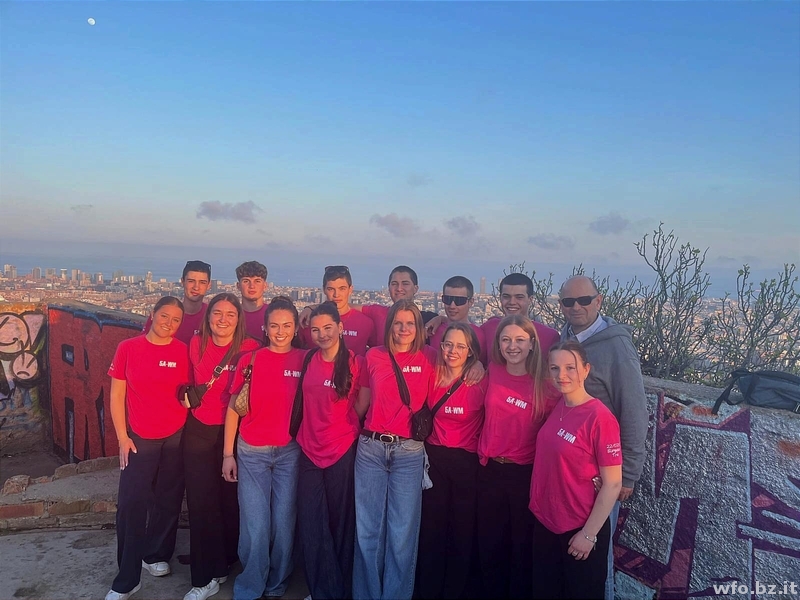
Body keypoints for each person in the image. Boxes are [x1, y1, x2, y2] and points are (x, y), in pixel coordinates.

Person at [558, 276, 647, 600]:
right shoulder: (566, 337)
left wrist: (629, 473)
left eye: (584, 300)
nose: (576, 307)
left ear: (599, 301)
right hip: (571, 467)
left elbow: (634, 409)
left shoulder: (616, 347)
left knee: (596, 551)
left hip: (602, 471)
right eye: (569, 302)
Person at [105, 296, 191, 600]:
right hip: (139, 438)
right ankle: (127, 578)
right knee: (130, 505)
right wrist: (122, 437)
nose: (169, 323)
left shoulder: (182, 351)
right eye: (164, 316)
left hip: (176, 436)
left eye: (176, 320)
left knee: (168, 499)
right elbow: (116, 396)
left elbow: (187, 391)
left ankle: (156, 554)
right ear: (152, 314)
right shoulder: (128, 348)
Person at [221, 296, 306, 600]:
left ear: (295, 328)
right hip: (252, 452)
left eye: (287, 325)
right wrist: (228, 454)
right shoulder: (250, 360)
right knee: (255, 524)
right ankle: (251, 584)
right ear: (265, 328)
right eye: (274, 325)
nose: (280, 331)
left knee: (284, 522)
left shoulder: (305, 360)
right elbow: (234, 407)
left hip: (290, 451)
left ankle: (277, 581)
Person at [353, 299, 437, 600]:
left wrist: (476, 364)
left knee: (402, 534)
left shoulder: (429, 356)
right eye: (398, 323)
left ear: (418, 327)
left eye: (410, 323)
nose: (404, 329)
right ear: (389, 326)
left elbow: (460, 362)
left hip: (409, 452)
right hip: (371, 448)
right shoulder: (374, 356)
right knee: (368, 532)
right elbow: (362, 403)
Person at [182, 293, 262, 600]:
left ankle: (225, 560)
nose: (223, 319)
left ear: (239, 319)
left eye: (230, 314)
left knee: (232, 503)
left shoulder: (251, 348)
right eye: (217, 313)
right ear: (208, 316)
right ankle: (204, 577)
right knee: (201, 503)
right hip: (200, 431)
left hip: (237, 432)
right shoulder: (196, 344)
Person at [530, 340, 622, 599]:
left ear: (586, 370)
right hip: (546, 522)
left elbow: (613, 483)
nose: (562, 375)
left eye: (570, 367)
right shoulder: (559, 406)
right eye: (555, 368)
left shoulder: (600, 418)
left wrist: (589, 535)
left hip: (579, 527)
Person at [475, 314, 557, 599]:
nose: (512, 346)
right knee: (488, 546)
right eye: (506, 340)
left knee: (520, 548)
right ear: (498, 344)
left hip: (523, 475)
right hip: (488, 471)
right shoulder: (492, 370)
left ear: (532, 344)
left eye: (520, 340)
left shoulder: (546, 386)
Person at [296, 302, 371, 600]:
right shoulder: (308, 359)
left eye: (328, 327)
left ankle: (339, 588)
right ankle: (321, 590)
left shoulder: (356, 363)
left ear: (340, 328)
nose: (322, 334)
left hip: (341, 449)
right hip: (308, 448)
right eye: (316, 330)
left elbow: (361, 404)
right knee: (312, 522)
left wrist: (342, 428)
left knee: (341, 523)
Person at [416, 322, 487, 600]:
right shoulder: (431, 373)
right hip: (434, 459)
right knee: (432, 529)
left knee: (461, 531)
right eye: (448, 344)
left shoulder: (481, 380)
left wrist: (480, 366)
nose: (453, 351)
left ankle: (456, 591)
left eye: (460, 346)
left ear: (471, 351)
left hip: (466, 463)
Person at [299, 265, 439, 346]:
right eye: (394, 284)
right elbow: (343, 305)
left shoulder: (428, 319)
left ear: (416, 288)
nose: (399, 288)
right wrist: (312, 308)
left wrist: (441, 319)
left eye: (405, 283)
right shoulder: (378, 312)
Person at [299, 265, 374, 356]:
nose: (336, 295)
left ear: (350, 289)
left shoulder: (366, 323)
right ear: (324, 290)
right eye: (331, 289)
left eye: (342, 289)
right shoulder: (308, 321)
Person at [481, 273, 560, 358]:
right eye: (506, 296)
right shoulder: (488, 328)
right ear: (500, 298)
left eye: (519, 297)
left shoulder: (549, 336)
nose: (512, 302)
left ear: (530, 299)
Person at [142, 261, 212, 344]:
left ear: (209, 285)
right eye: (191, 281)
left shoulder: (212, 317)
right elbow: (143, 343)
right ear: (182, 282)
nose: (196, 287)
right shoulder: (163, 312)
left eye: (202, 282)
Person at [427, 276, 487, 364]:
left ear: (471, 302)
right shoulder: (433, 329)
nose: (452, 306)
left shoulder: (478, 335)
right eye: (447, 299)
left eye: (459, 301)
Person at [236, 261, 269, 343]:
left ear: (265, 285)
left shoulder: (273, 314)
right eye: (246, 281)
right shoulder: (231, 315)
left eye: (257, 281)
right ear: (238, 286)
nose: (252, 286)